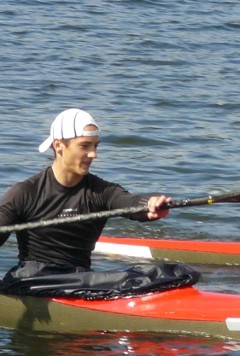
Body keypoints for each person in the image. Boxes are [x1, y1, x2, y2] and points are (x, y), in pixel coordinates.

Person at [0, 108, 197, 297]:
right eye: (85, 146)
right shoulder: (25, 192)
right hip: (34, 281)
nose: (93, 154)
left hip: (81, 280)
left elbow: (129, 203)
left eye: (96, 146)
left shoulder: (101, 191)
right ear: (59, 145)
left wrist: (151, 205)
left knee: (166, 272)